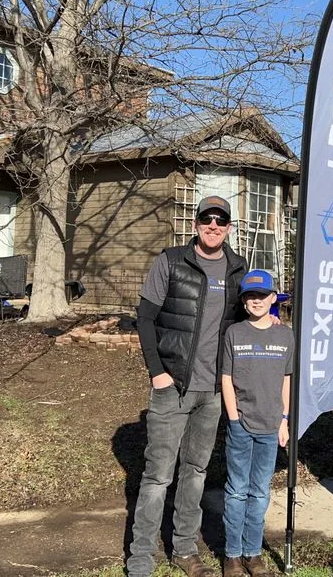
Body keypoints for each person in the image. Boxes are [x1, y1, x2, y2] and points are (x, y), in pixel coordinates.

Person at [126, 196, 248, 577]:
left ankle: (183, 548)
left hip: (212, 391)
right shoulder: (171, 261)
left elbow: (249, 317)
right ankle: (141, 557)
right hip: (172, 387)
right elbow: (145, 319)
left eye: (221, 220)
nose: (214, 225)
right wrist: (157, 372)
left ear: (229, 227)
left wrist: (274, 323)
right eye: (207, 219)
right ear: (196, 223)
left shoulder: (237, 269)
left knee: (195, 471)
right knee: (158, 475)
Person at [219, 269, 293, 577]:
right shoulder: (235, 333)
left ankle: (253, 553)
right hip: (241, 425)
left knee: (260, 491)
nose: (256, 301)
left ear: (273, 298)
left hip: (271, 425)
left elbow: (286, 381)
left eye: (262, 295)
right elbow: (226, 379)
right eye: (250, 296)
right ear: (244, 302)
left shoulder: (284, 334)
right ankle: (233, 556)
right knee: (237, 490)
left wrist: (285, 420)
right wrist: (234, 418)